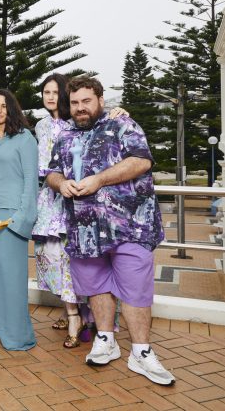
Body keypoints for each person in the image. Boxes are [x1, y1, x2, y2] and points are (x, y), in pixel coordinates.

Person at [46, 76, 174, 385]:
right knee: (95, 285)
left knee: (136, 288)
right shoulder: (64, 137)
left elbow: (141, 161)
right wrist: (61, 183)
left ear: (100, 99)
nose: (80, 108)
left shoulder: (122, 125)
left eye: (86, 101)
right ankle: (106, 339)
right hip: (84, 229)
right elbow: (52, 172)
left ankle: (141, 352)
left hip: (130, 226)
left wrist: (100, 179)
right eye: (75, 103)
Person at [33, 74, 129, 348]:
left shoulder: (76, 121)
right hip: (52, 196)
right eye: (45, 92)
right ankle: (71, 313)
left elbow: (106, 120)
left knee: (85, 258)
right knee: (56, 258)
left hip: (83, 197)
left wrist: (119, 110)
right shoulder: (40, 126)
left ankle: (91, 318)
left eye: (55, 91)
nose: (50, 97)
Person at [0, 89, 38, 351]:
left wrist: (21, 217)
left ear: (12, 109)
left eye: (4, 106)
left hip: (12, 214)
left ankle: (17, 336)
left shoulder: (24, 139)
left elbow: (31, 182)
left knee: (11, 275)